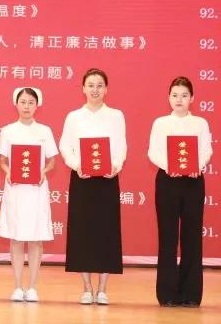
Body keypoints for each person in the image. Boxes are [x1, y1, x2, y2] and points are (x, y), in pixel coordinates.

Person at [59, 68, 126, 305]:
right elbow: (65, 146)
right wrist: (76, 165)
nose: (95, 90)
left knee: (107, 231)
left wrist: (115, 166)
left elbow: (121, 146)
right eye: (90, 85)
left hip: (108, 179)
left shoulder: (116, 116)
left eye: (99, 85)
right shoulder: (74, 117)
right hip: (82, 179)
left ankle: (103, 288)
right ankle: (87, 287)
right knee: (83, 232)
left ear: (106, 89)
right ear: (83, 88)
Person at [147, 76, 212, 307]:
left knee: (192, 236)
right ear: (168, 98)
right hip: (168, 181)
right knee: (167, 236)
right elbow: (153, 152)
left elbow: (206, 150)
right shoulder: (160, 123)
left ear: (192, 98)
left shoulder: (200, 123)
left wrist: (197, 166)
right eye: (175, 95)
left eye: (184, 95)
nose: (179, 99)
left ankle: (191, 293)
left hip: (193, 182)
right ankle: (167, 293)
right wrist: (170, 167)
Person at [0, 87, 58, 303]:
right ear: (16, 104)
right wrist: (8, 172)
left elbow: (52, 160)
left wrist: (43, 171)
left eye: (31, 102)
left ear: (37, 105)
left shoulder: (44, 131)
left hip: (36, 190)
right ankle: (17, 286)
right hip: (15, 189)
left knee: (35, 238)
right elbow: (2, 160)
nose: (26, 106)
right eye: (23, 102)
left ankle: (32, 287)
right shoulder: (8, 130)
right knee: (16, 238)